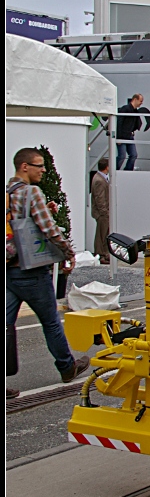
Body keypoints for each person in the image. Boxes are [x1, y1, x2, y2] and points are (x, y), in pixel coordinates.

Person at [6, 148, 90, 399]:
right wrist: (68, 252)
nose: (44, 170)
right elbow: (49, 229)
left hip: (9, 267)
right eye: (39, 165)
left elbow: (19, 225)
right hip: (32, 270)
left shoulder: (8, 192)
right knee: (51, 321)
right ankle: (67, 367)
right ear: (24, 167)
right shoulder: (32, 192)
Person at [91, 157, 111, 265]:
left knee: (105, 234)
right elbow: (100, 198)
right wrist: (104, 213)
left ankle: (104, 253)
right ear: (107, 167)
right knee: (101, 234)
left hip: (104, 213)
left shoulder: (101, 178)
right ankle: (100, 254)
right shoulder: (99, 180)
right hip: (102, 213)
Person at [116, 93, 143, 170]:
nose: (141, 103)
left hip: (129, 135)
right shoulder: (125, 109)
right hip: (122, 136)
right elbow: (119, 123)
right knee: (122, 156)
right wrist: (118, 137)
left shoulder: (135, 111)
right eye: (140, 101)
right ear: (135, 99)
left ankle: (128, 170)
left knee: (133, 155)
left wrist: (133, 130)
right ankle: (114, 170)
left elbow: (137, 122)